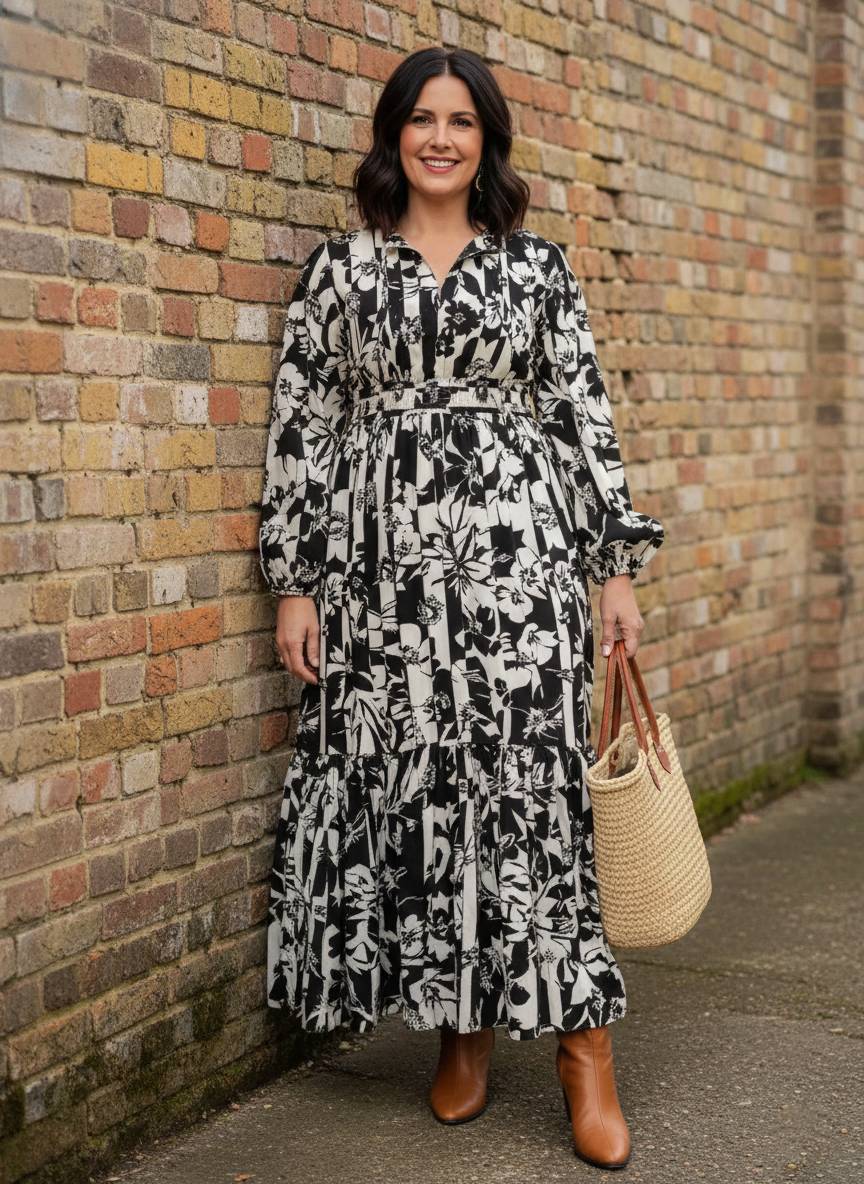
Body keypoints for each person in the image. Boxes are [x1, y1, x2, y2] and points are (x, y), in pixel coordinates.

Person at [258, 45, 664, 1171]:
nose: (440, 138)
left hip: (516, 571)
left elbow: (582, 420)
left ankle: (585, 1047)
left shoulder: (536, 270)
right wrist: (295, 580)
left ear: (488, 142)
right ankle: (462, 1028)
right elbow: (302, 428)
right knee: (423, 791)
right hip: (378, 578)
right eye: (422, 119)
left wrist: (613, 570)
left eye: (461, 122)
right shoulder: (341, 274)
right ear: (393, 136)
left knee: (527, 789)